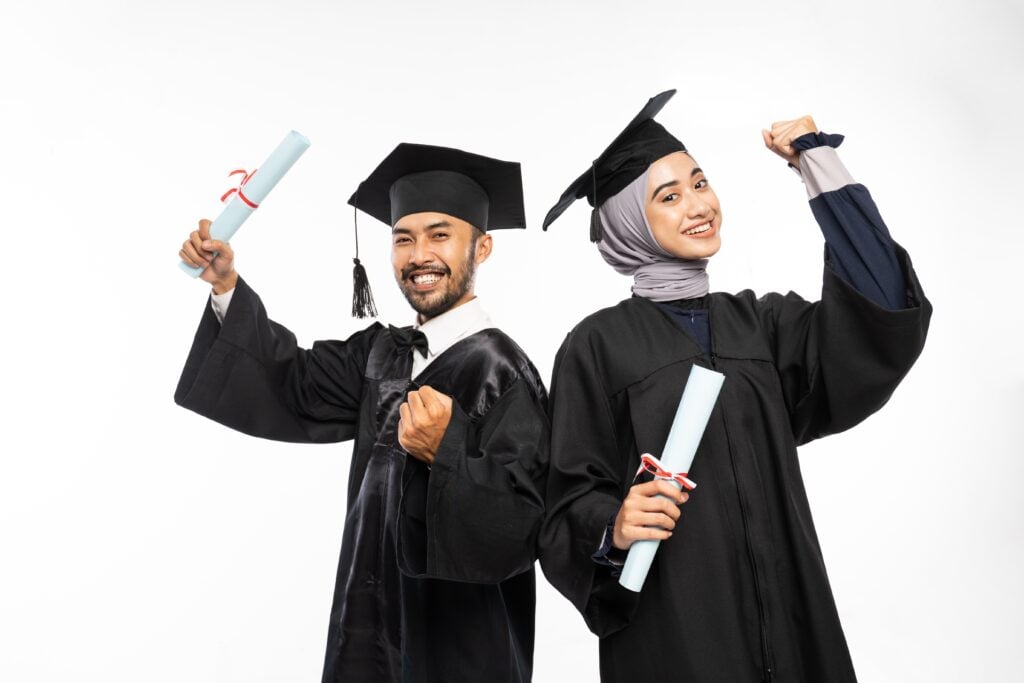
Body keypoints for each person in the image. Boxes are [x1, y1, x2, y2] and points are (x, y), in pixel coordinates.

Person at [538, 90, 931, 682]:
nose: (698, 205)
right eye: (668, 197)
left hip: (793, 619)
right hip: (677, 637)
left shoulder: (762, 325)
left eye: (700, 183)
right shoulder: (597, 346)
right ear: (627, 224)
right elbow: (564, 498)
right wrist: (613, 523)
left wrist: (814, 161)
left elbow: (880, 312)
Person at [175, 143, 549, 683]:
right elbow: (292, 382)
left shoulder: (505, 373)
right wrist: (226, 288)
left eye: (440, 235)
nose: (419, 254)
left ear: (482, 248)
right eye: (404, 238)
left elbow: (523, 525)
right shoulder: (381, 353)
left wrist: (448, 449)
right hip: (368, 630)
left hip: (460, 643)